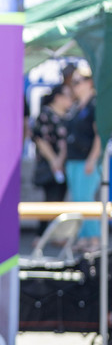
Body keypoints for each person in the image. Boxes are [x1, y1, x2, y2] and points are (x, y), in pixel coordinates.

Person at [65, 63, 103, 250]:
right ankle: (83, 237)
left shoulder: (95, 104)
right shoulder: (76, 106)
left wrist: (92, 159)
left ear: (89, 83)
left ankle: (94, 238)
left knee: (86, 199)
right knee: (77, 200)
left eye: (79, 82)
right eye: (74, 82)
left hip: (87, 160)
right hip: (73, 159)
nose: (75, 86)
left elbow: (99, 135)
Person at [30, 84, 72, 234]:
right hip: (49, 164)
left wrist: (61, 159)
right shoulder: (46, 114)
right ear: (58, 97)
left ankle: (54, 235)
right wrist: (54, 160)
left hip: (65, 163)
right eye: (67, 95)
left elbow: (67, 141)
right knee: (50, 199)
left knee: (60, 198)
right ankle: (41, 234)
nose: (71, 99)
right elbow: (39, 138)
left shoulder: (70, 115)